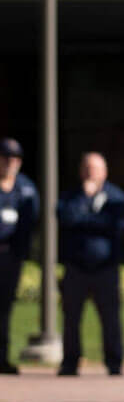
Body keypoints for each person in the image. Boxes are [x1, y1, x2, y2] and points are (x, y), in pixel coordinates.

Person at [57, 151, 124, 376]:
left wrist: (83, 219)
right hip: (76, 268)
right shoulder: (71, 197)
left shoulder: (116, 197)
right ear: (81, 171)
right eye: (87, 167)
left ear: (105, 172)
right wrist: (86, 205)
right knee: (71, 320)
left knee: (110, 320)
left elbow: (114, 225)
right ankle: (70, 363)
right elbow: (65, 218)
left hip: (105, 268)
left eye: (96, 168)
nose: (91, 172)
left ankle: (114, 363)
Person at [0, 138, 37, 375]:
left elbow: (32, 221)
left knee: (4, 310)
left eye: (14, 159)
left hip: (11, 257)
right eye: (5, 158)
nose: (10, 163)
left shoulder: (26, 188)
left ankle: (1, 358)